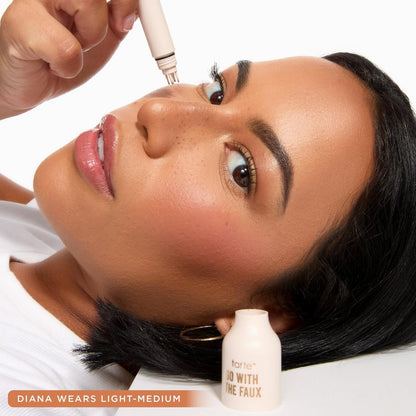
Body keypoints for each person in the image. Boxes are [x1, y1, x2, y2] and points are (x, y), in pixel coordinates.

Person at [1, 0, 415, 407]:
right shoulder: (43, 235)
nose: (157, 110)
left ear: (266, 316)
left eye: (241, 171)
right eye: (217, 92)